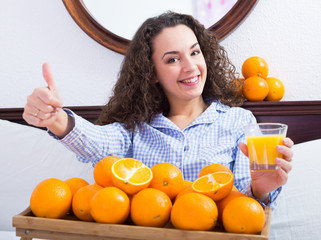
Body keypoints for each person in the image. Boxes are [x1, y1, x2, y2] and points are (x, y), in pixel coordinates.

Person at [23, 11, 293, 207]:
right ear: (152, 73)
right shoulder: (136, 127)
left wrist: (261, 189)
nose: (190, 67)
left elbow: (247, 209)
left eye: (195, 52)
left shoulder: (239, 121)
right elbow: (99, 143)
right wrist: (56, 119)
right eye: (173, 59)